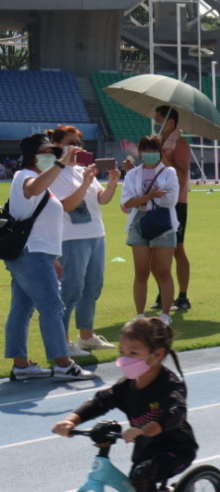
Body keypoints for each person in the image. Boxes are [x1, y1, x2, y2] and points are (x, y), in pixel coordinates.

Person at [52, 318, 189, 492]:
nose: (125, 358)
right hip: (145, 449)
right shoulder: (127, 386)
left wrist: (145, 429)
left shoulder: (169, 385)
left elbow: (174, 414)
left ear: (157, 354)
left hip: (174, 447)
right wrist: (72, 420)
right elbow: (100, 401)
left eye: (133, 353)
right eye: (122, 352)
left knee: (143, 477)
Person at [6, 133, 96, 380]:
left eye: (53, 152)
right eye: (45, 152)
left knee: (22, 309)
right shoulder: (26, 176)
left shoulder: (37, 178)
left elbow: (40, 221)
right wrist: (59, 163)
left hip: (34, 253)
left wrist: (52, 258)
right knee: (52, 307)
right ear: (31, 156)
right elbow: (32, 189)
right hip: (32, 254)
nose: (51, 156)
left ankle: (22, 365)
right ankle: (62, 363)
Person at [47, 125, 120, 355]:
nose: (75, 147)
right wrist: (87, 182)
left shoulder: (81, 170)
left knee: (92, 287)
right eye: (70, 142)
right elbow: (65, 206)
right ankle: (63, 340)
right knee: (71, 288)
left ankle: (86, 336)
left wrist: (111, 183)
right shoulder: (53, 172)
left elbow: (102, 199)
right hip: (71, 238)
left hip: (96, 235)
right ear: (57, 145)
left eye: (78, 143)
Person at [120, 134, 179, 326]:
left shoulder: (168, 172)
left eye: (154, 150)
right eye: (147, 150)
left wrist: (143, 199)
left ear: (160, 152)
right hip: (139, 222)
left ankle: (165, 313)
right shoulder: (132, 174)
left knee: (163, 270)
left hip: (163, 222)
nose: (151, 154)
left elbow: (171, 200)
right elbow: (126, 203)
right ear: (141, 153)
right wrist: (152, 196)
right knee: (141, 271)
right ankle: (139, 314)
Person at [154, 106, 193, 313]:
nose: (156, 125)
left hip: (177, 203)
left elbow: (181, 174)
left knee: (177, 249)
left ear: (170, 123)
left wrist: (163, 155)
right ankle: (163, 293)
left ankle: (183, 296)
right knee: (154, 250)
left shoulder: (181, 144)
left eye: (158, 120)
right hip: (155, 202)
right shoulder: (157, 143)